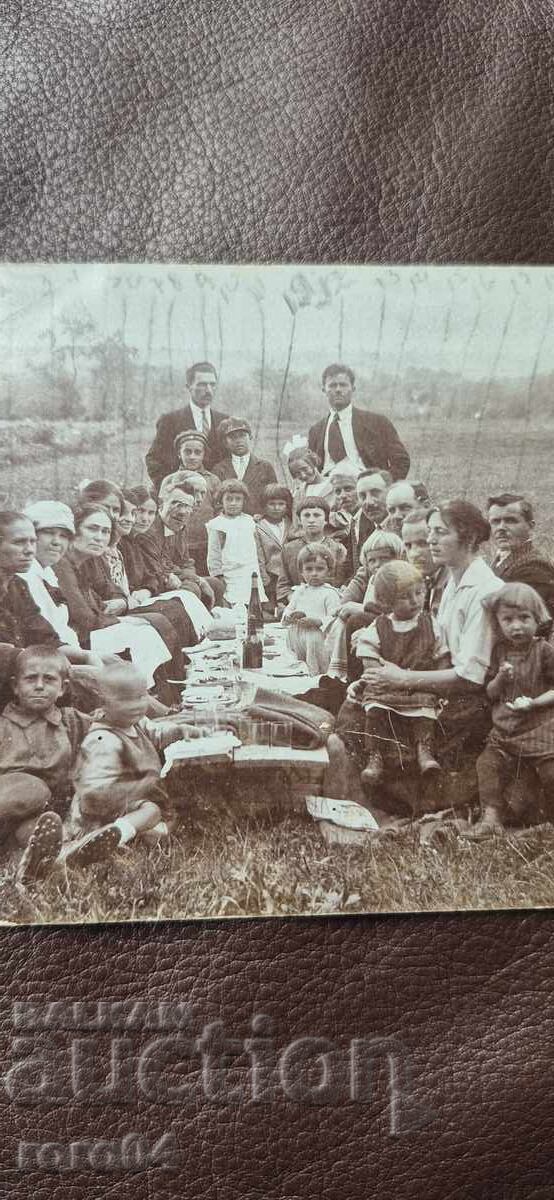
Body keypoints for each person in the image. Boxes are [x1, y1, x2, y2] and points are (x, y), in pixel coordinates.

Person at [339, 500, 505, 800]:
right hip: (433, 687)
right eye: (430, 532)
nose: (430, 541)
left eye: (440, 532)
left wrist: (401, 679)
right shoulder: (453, 581)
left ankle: (399, 794)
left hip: (468, 702)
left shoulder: (484, 591)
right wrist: (370, 681)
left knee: (366, 724)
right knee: (356, 709)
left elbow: (471, 677)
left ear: (467, 537)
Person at [23, 662, 202, 879]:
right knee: (151, 812)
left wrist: (179, 730)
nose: (137, 704)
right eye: (126, 699)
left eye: (141, 696)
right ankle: (99, 841)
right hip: (101, 813)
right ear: (105, 702)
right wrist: (137, 790)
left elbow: (154, 733)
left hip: (124, 806)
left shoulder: (134, 722)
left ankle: (108, 843)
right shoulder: (103, 740)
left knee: (158, 831)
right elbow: (94, 793)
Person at [347, 561, 450, 785]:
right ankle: (375, 756)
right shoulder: (380, 625)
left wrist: (440, 683)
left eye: (419, 593)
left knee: (424, 712)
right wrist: (376, 673)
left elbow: (441, 653)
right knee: (374, 711)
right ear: (386, 602)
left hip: (417, 686)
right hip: (387, 686)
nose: (415, 601)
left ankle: (425, 750)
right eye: (405, 596)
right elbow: (367, 653)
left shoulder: (430, 623)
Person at [467, 583, 554, 840]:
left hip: (540, 730)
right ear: (498, 623)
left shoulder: (544, 651)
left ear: (537, 619)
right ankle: (491, 817)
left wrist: (535, 703)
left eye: (524, 618)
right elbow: (491, 694)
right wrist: (501, 680)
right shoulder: (499, 652)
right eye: (508, 620)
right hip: (505, 731)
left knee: (550, 772)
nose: (516, 626)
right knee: (487, 763)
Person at [0, 646, 91, 885]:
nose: (39, 686)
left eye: (49, 679)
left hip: (37, 816)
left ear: (62, 688)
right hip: (6, 806)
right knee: (32, 789)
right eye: (31, 679)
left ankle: (52, 859)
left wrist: (172, 731)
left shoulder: (70, 721)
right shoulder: (3, 726)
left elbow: (111, 726)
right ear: (15, 686)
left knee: (44, 831)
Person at [325, 530, 406, 683]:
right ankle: (346, 675)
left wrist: (362, 608)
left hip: (394, 627)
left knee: (358, 619)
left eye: (384, 559)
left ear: (398, 557)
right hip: (375, 625)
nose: (378, 564)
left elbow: (396, 609)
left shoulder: (400, 579)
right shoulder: (374, 579)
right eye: (372, 560)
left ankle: (356, 678)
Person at [307, 363, 410, 480]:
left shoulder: (377, 423)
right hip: (327, 489)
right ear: (324, 390)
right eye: (332, 385)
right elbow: (311, 469)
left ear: (353, 388)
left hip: (367, 488)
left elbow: (401, 461)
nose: (338, 390)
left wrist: (383, 485)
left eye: (343, 385)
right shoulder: (316, 431)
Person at [145, 362, 228, 487]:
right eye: (202, 384)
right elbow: (153, 460)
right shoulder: (170, 420)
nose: (209, 390)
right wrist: (173, 487)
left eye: (212, 384)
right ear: (188, 386)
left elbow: (231, 461)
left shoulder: (224, 421)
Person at [487, 493, 554, 618]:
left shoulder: (534, 565)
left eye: (510, 521)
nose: (501, 527)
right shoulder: (501, 558)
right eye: (495, 522)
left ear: (530, 525)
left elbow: (529, 621)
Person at [282, 543, 342, 674]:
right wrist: (290, 616)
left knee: (313, 661)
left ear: (329, 570)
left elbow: (335, 618)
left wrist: (319, 621)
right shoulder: (299, 591)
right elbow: (289, 608)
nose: (314, 574)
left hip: (316, 637)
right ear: (301, 571)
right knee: (295, 661)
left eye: (320, 569)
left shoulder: (329, 593)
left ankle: (315, 677)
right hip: (297, 634)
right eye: (309, 569)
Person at [276, 497, 347, 606]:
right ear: (299, 520)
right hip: (299, 604)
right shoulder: (289, 549)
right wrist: (295, 599)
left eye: (317, 515)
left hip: (328, 604)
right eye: (306, 515)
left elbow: (342, 582)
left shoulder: (337, 549)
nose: (311, 520)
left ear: (326, 520)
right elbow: (283, 585)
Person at [206, 479, 267, 606]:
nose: (233, 503)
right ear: (221, 501)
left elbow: (257, 549)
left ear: (244, 501)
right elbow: (214, 554)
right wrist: (218, 576)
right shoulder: (217, 525)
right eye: (229, 499)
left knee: (253, 603)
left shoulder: (250, 521)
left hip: (250, 571)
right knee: (234, 604)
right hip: (230, 573)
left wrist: (262, 571)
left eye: (238, 499)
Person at [212, 417, 277, 515]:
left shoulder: (265, 467)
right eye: (233, 437)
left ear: (250, 437)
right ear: (225, 442)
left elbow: (274, 497)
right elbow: (215, 501)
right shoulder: (219, 469)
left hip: (258, 523)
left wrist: (263, 516)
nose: (238, 441)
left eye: (242, 436)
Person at [344, 468, 392, 578]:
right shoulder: (358, 524)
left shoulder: (404, 528)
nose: (369, 502)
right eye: (362, 496)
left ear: (390, 492)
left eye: (375, 493)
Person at [254, 485, 294, 614]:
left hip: (290, 574)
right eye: (272, 504)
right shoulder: (258, 526)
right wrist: (264, 578)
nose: (277, 508)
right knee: (271, 610)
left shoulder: (291, 523)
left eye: (281, 504)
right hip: (271, 576)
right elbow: (258, 555)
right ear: (264, 505)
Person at [401, 508, 447, 616]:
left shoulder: (451, 582)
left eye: (423, 543)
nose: (414, 554)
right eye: (408, 546)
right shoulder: (417, 581)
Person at [285, 444, 333, 515]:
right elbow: (296, 519)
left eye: (305, 469)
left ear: (313, 463)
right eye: (297, 473)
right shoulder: (299, 493)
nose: (303, 475)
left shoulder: (333, 486)